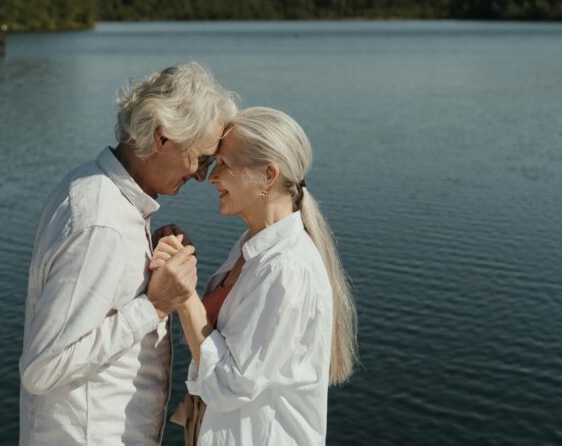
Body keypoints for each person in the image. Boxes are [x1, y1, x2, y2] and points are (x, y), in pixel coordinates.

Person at [19, 62, 238, 445]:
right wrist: (154, 306)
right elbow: (42, 368)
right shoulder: (102, 224)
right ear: (161, 137)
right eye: (202, 159)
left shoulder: (94, 188)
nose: (202, 176)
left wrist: (149, 255)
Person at [150, 107, 359, 445]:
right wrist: (183, 265)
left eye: (223, 164)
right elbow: (215, 337)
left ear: (267, 175)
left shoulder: (286, 269)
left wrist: (184, 295)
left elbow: (229, 384)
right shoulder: (251, 247)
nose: (212, 177)